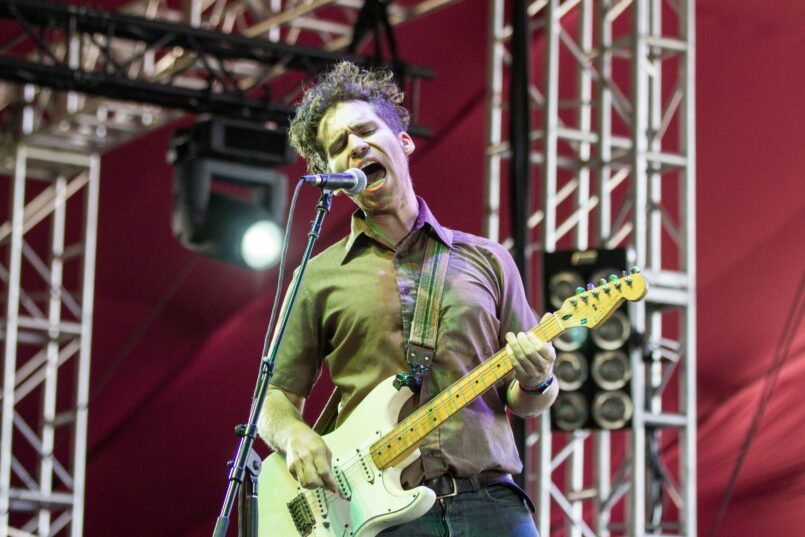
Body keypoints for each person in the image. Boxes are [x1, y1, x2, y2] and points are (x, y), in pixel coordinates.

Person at [257, 61, 558, 536]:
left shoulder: (489, 260)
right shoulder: (316, 277)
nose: (356, 146)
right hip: (379, 518)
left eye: (365, 130)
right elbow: (273, 397)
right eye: (339, 146)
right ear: (333, 177)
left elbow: (525, 402)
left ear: (403, 141)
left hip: (491, 503)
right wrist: (293, 435)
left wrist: (539, 380)